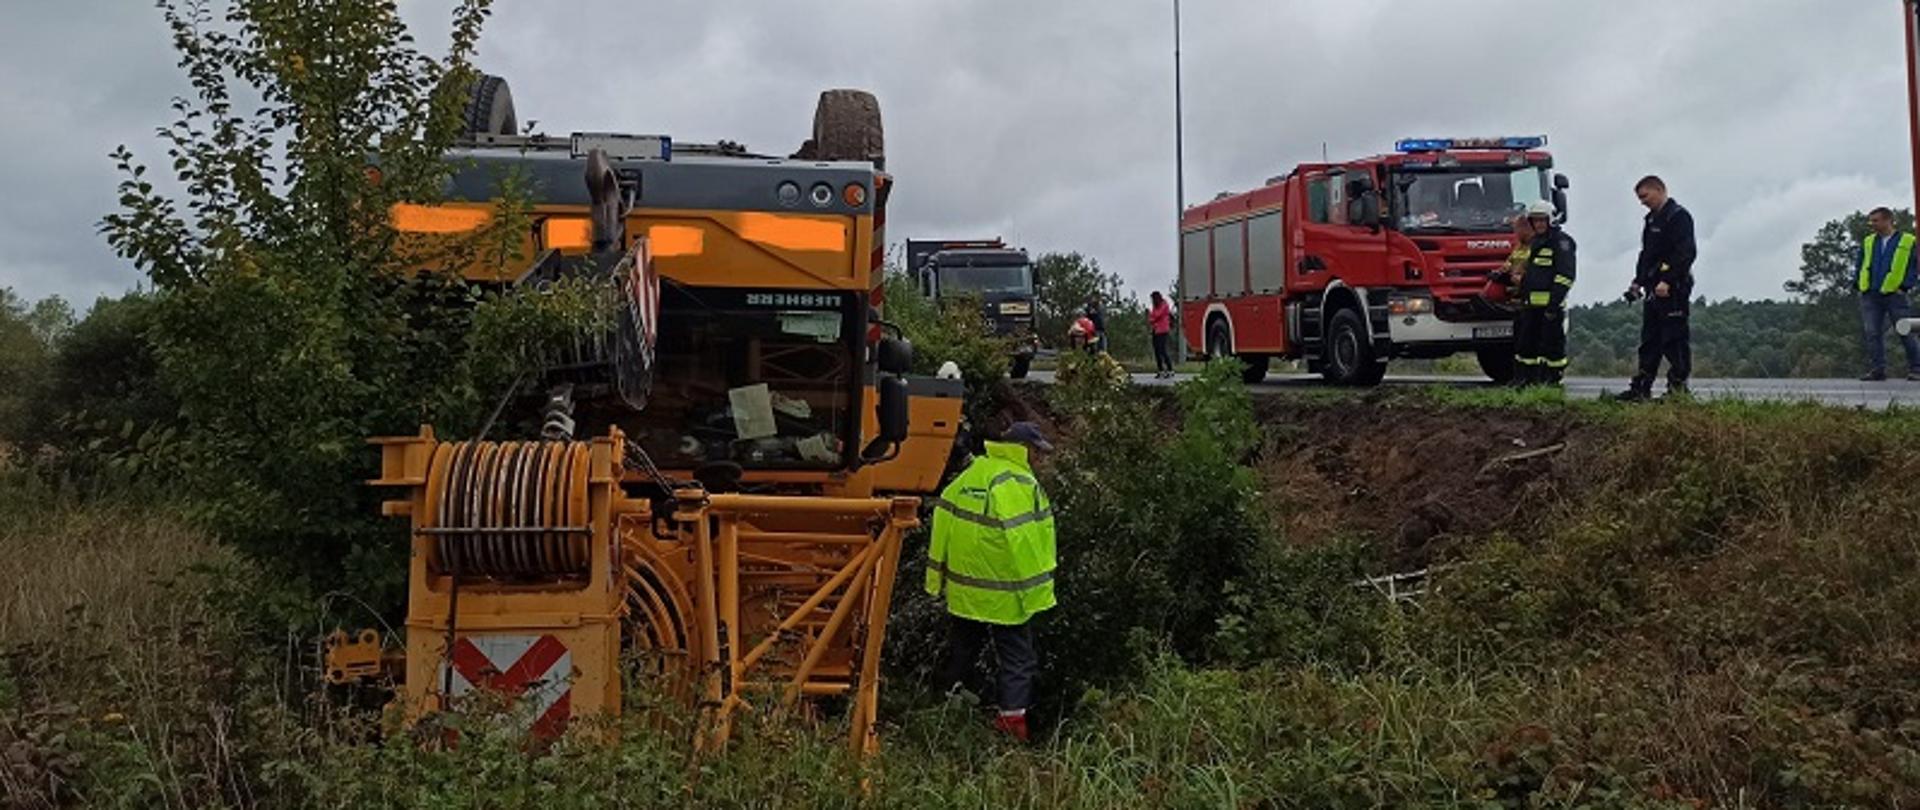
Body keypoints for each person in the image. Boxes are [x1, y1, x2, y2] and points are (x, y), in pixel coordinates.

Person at [926, 421, 1057, 743]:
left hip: (964, 592)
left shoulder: (972, 474)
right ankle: (1011, 726)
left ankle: (948, 711)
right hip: (1007, 596)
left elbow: (941, 523)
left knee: (963, 650)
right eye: (1038, 452)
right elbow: (1024, 544)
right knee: (1017, 659)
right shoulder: (1019, 482)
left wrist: (935, 581)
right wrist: (1036, 595)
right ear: (1024, 449)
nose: (1040, 459)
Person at [1617, 176, 1698, 401]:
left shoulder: (1679, 217)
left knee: (1674, 340)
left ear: (1660, 190)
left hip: (1673, 287)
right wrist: (1637, 281)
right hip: (1654, 287)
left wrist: (1668, 280)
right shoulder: (1652, 220)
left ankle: (1678, 390)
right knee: (1650, 340)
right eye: (1639, 198)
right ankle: (1641, 387)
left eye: (1645, 196)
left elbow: (1686, 252)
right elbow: (1647, 254)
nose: (1642, 202)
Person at [1855, 206, 1920, 381]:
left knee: (1905, 330)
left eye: (1875, 220)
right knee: (1872, 333)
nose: (1872, 224)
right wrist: (1859, 286)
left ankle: (1916, 368)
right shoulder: (1868, 241)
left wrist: (1905, 287)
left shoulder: (1908, 241)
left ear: (1887, 220)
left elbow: (1914, 267)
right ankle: (1878, 369)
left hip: (1896, 295)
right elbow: (1860, 263)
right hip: (1871, 294)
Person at [1514, 201, 1575, 385]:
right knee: (1526, 344)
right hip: (1531, 306)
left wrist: (1553, 305)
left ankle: (1552, 379)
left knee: (1552, 346)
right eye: (1535, 221)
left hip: (1551, 307)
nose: (1539, 224)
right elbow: (1535, 274)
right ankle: (1526, 379)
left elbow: (1565, 276)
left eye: (1542, 220)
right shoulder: (1536, 242)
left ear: (1551, 220)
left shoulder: (1561, 242)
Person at [1148, 291, 1176, 378]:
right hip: (1155, 330)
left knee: (1163, 350)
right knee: (1156, 351)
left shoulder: (1164, 305)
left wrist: (1153, 318)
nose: (1152, 301)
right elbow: (1151, 317)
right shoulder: (1155, 306)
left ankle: (1170, 369)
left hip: (1163, 330)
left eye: (1153, 299)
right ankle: (1160, 370)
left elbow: (1157, 314)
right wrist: (1153, 318)